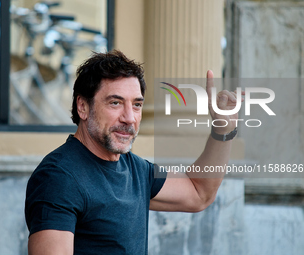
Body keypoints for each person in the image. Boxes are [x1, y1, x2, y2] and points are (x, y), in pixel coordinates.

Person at [25, 50, 241, 255]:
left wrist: (223, 129)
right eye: (115, 103)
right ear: (83, 107)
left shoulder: (135, 169)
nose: (129, 117)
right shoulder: (59, 178)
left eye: (136, 105)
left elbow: (199, 193)